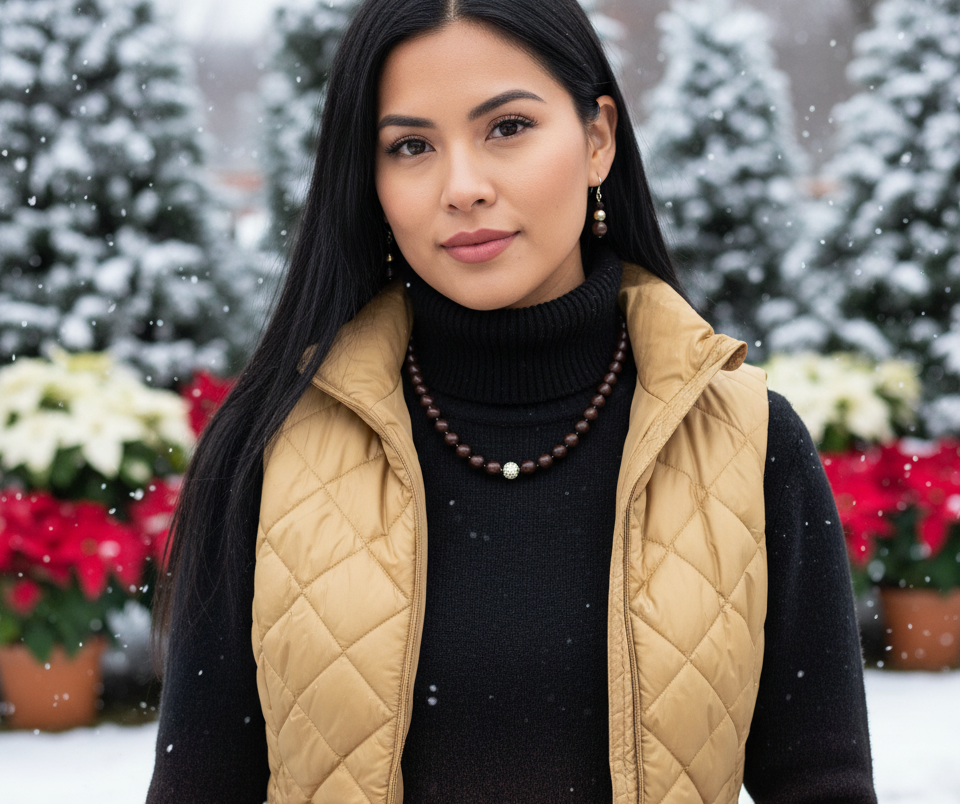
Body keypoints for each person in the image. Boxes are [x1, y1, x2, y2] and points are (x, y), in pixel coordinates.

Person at [147, 1, 877, 802]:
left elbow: (822, 782)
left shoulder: (747, 440)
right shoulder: (270, 445)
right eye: (412, 145)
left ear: (598, 138)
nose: (463, 187)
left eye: (507, 128)